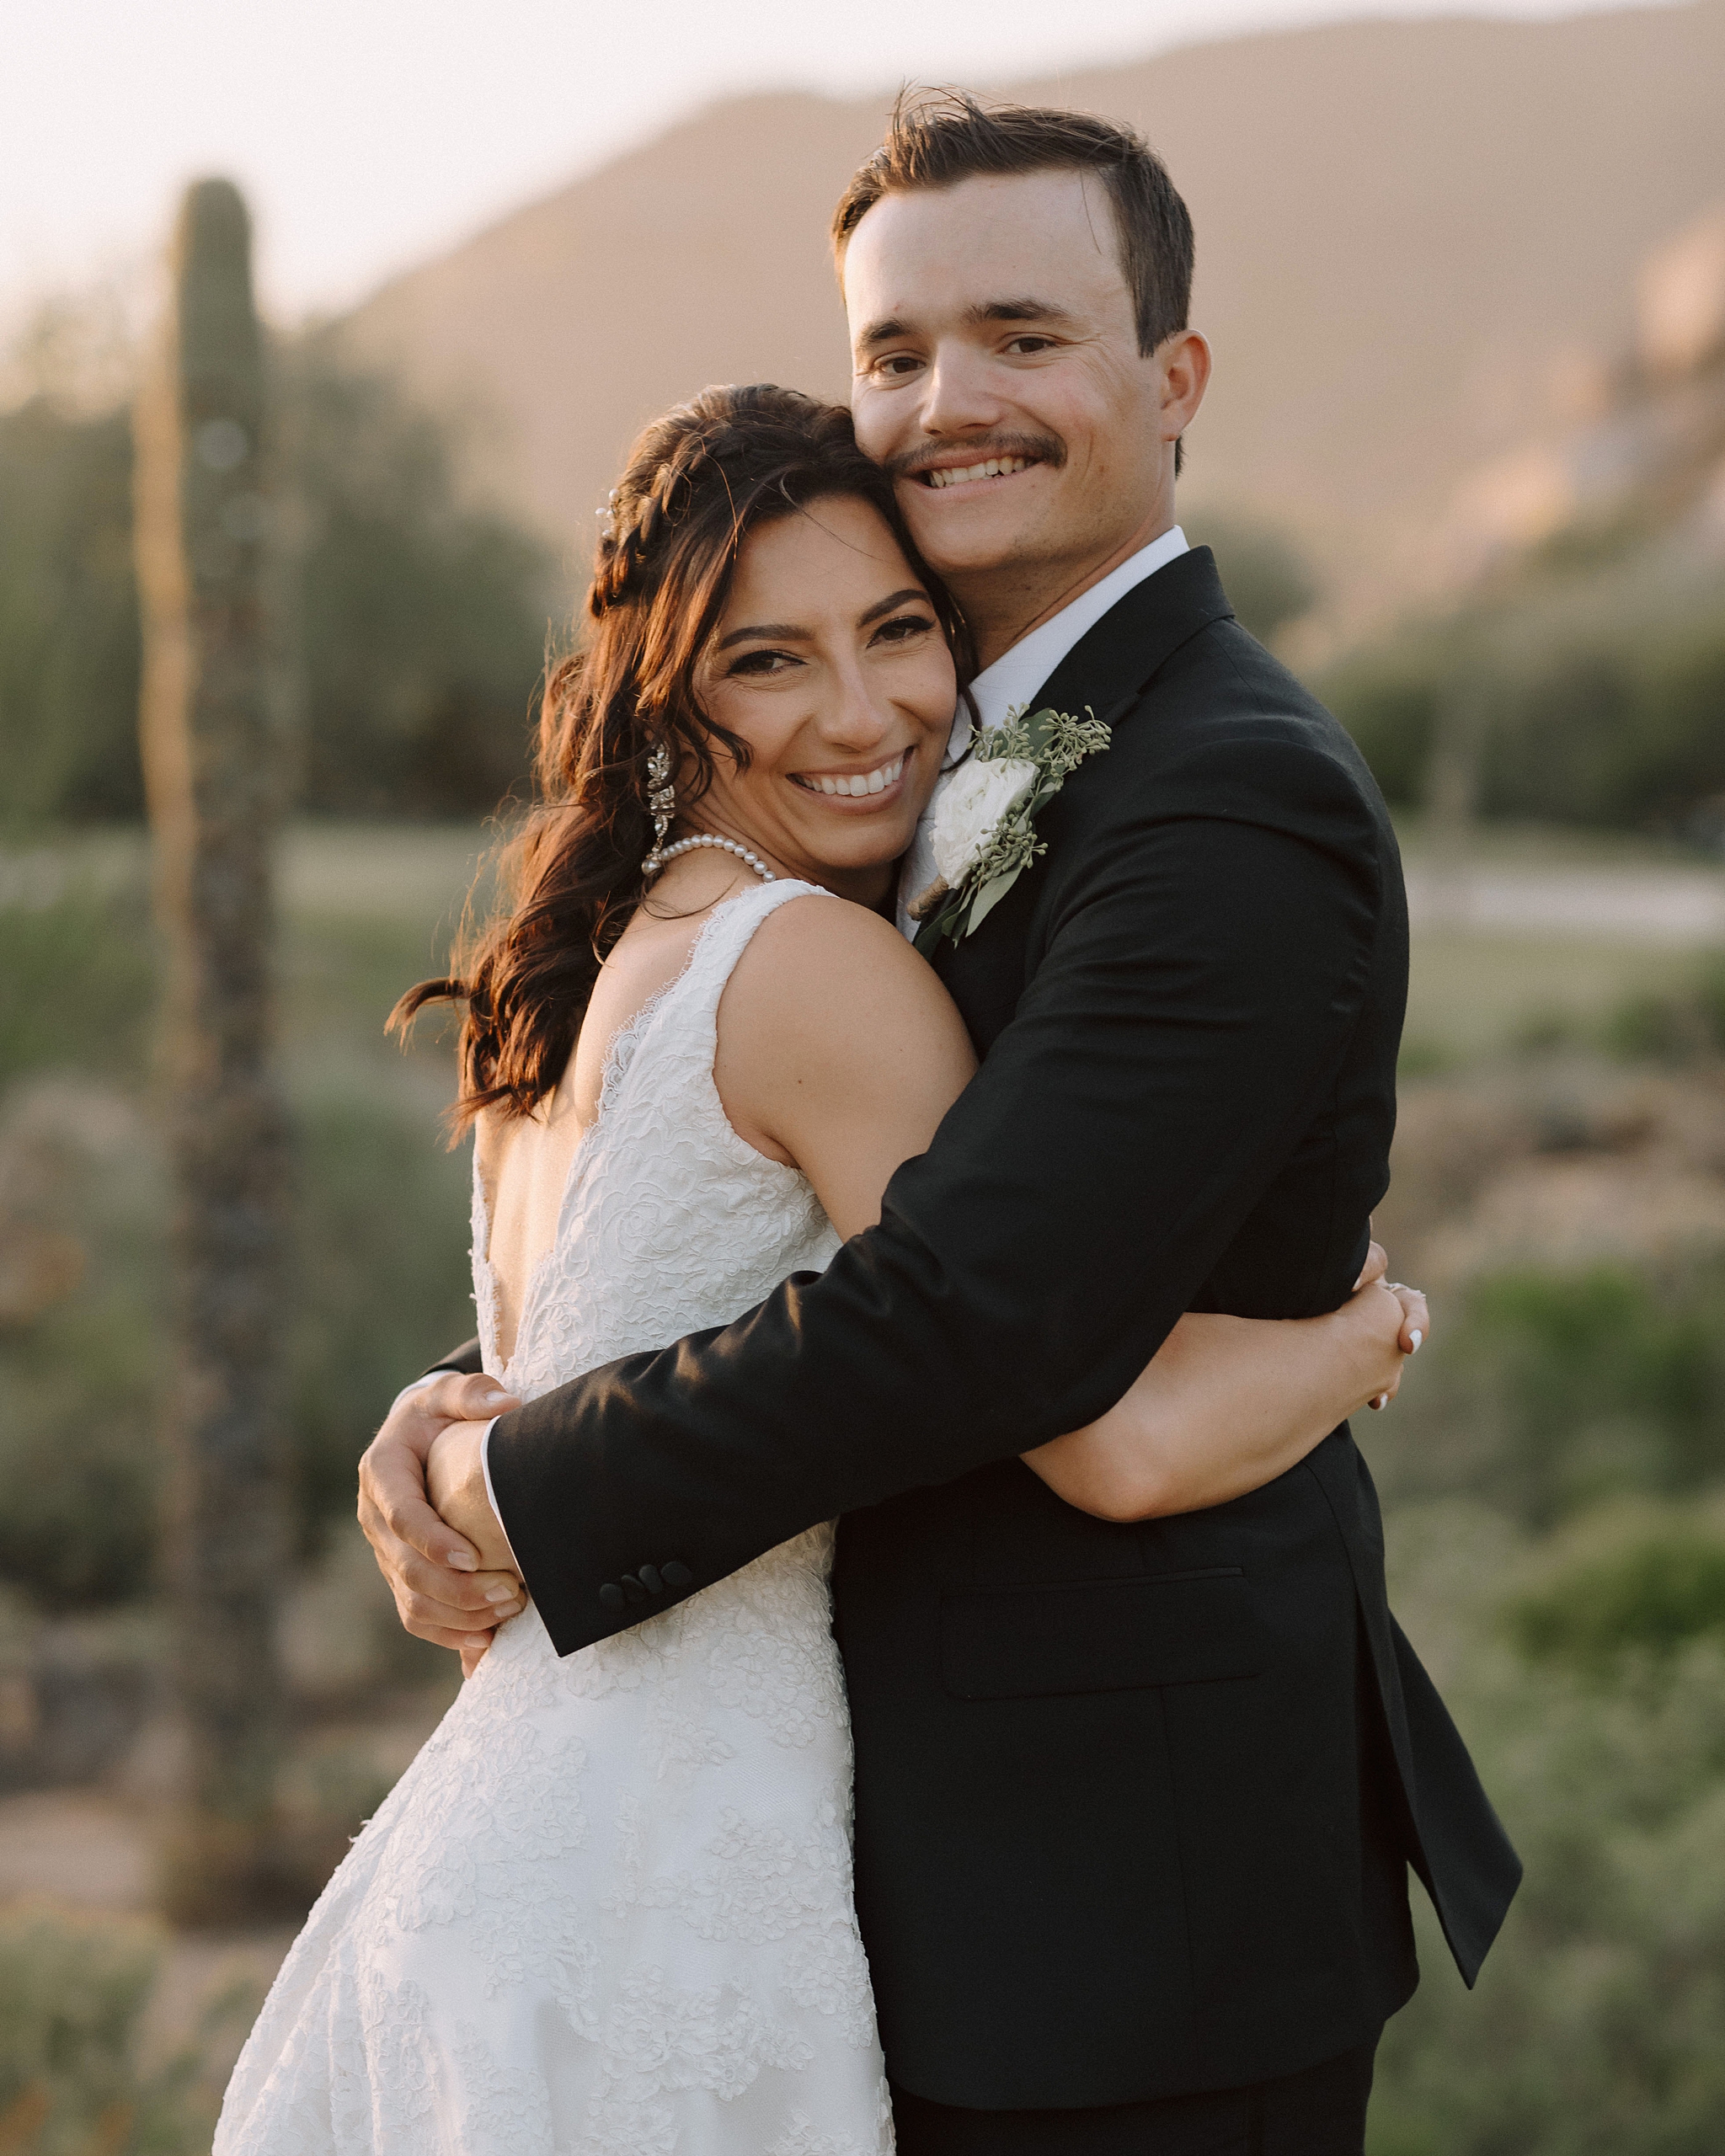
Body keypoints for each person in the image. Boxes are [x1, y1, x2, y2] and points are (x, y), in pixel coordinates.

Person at [361, 96, 1523, 2155]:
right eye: (893, 352)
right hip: (866, 1859)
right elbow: (763, 1192)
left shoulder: (1221, 791)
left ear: (1171, 381)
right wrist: (473, 1395)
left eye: (1019, 336)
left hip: (1124, 1902)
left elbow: (976, 1317)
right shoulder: (908, 776)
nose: (944, 402)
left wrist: (519, 1475)